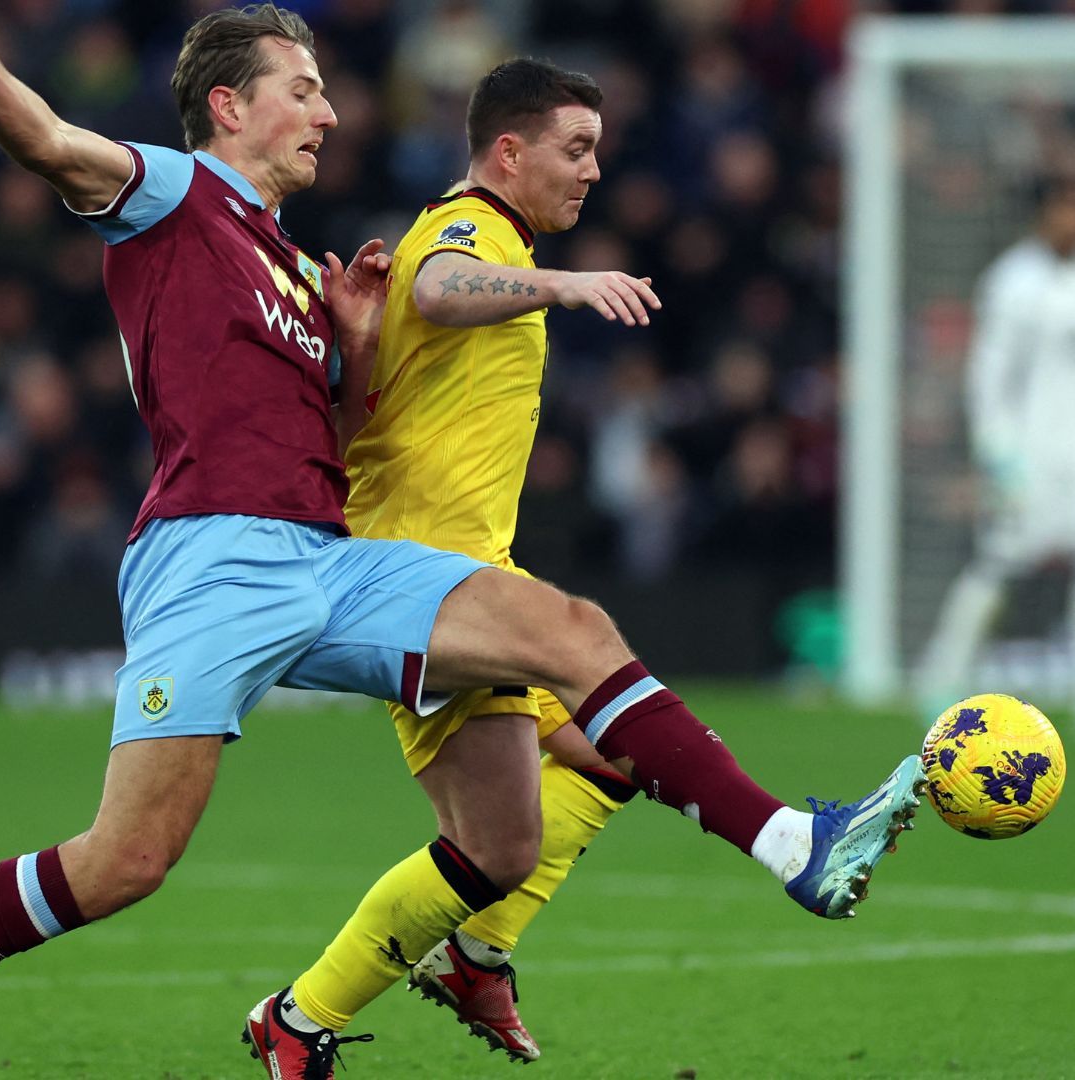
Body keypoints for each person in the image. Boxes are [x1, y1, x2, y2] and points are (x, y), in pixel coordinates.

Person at [0, 7, 923, 1079]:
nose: (329, 112)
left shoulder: (303, 270)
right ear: (229, 107)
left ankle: (789, 844)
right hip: (210, 558)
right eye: (302, 90)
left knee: (566, 660)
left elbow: (346, 429)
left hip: (329, 557)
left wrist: (352, 339)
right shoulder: (173, 198)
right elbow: (54, 145)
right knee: (126, 862)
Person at [244, 58, 661, 1068]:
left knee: (615, 758)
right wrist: (564, 285)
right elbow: (440, 283)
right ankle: (299, 1022)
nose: (594, 171)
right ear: (508, 151)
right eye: (575, 149)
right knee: (497, 844)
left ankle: (477, 956)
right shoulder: (466, 229)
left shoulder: (496, 235)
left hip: (471, 577)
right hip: (427, 590)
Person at [915, 177, 1075, 742]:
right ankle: (939, 679)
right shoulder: (1012, 281)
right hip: (1029, 455)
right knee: (1000, 563)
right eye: (1067, 209)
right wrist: (997, 455)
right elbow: (988, 375)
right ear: (1043, 216)